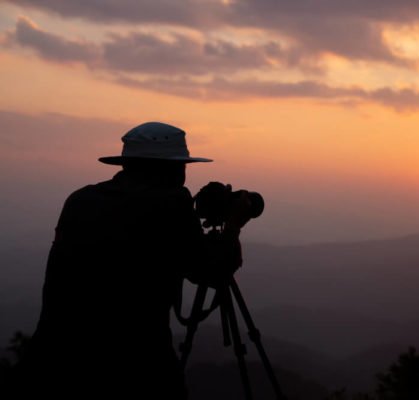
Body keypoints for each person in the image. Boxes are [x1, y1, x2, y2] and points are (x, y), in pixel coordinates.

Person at [16, 122, 250, 399]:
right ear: (172, 169)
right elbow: (214, 271)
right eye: (182, 166)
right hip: (136, 369)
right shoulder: (170, 205)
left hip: (53, 362)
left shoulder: (80, 200)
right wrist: (233, 225)